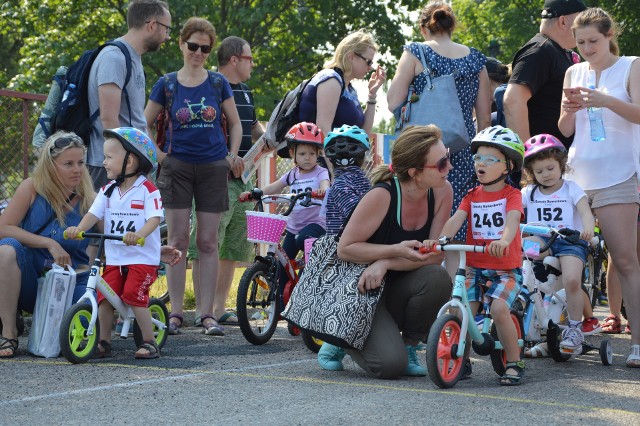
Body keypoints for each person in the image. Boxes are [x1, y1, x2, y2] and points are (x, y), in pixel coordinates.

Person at [318, 125, 453, 379]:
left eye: (447, 157)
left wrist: (385, 262)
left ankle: (409, 344)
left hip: (395, 283)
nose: (450, 167)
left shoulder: (443, 191)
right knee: (389, 366)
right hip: (359, 289)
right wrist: (391, 251)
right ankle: (341, 336)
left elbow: (435, 254)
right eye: (442, 163)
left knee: (437, 277)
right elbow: (345, 249)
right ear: (415, 173)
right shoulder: (382, 194)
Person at [144, 17, 243, 337]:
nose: (198, 52)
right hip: (177, 168)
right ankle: (175, 313)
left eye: (205, 48)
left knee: (208, 241)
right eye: (193, 46)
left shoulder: (217, 83)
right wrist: (160, 157)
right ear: (181, 45)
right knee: (177, 242)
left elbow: (236, 123)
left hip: (213, 168)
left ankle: (206, 314)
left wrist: (230, 155)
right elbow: (144, 122)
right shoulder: (167, 83)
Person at [558, 7, 640, 368]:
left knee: (624, 259)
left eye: (593, 40)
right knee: (561, 259)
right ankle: (564, 332)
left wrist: (607, 100)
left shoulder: (631, 66)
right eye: (580, 43)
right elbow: (564, 129)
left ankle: (637, 343)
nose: (587, 48)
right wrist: (567, 108)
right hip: (577, 176)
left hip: (618, 174)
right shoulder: (573, 71)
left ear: (610, 35)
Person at [425, 125, 525, 385]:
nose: (481, 163)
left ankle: (514, 361)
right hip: (475, 265)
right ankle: (462, 360)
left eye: (490, 159)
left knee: (500, 309)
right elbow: (456, 219)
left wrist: (503, 240)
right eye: (478, 158)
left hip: (505, 268)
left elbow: (512, 221)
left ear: (508, 166)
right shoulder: (471, 195)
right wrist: (440, 241)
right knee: (462, 312)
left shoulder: (512, 195)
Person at [387, 0, 491, 248]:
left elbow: (393, 101)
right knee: (455, 221)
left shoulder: (415, 52)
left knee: (421, 211)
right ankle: (454, 280)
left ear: (424, 28)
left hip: (421, 153)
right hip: (461, 152)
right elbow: (485, 119)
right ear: (452, 26)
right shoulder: (476, 60)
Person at [185, 36, 265, 327]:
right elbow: (199, 131)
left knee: (233, 245)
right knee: (207, 243)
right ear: (234, 59)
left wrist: (273, 141)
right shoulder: (209, 87)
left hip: (243, 179)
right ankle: (201, 310)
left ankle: (219, 308)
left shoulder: (244, 91)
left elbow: (254, 129)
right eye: (249, 58)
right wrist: (226, 156)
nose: (253, 64)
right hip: (215, 176)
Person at [65, 127, 162, 359]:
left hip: (141, 257)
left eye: (109, 157)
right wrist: (79, 228)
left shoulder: (147, 189)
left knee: (133, 294)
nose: (104, 162)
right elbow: (93, 214)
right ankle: (103, 342)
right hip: (116, 256)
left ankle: (149, 342)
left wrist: (138, 234)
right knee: (104, 296)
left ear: (130, 162)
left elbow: (154, 219)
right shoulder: (108, 190)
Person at [0, 132, 95, 358]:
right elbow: (4, 227)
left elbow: (114, 235)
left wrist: (154, 248)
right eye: (68, 164)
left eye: (80, 162)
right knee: (6, 249)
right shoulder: (31, 188)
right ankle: (9, 331)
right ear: (51, 165)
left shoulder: (91, 198)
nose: (77, 169)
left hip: (71, 281)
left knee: (83, 330)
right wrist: (50, 243)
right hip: (32, 280)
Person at [520, 133, 598, 356]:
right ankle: (522, 305)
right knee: (521, 252)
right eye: (539, 171)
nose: (545, 174)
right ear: (531, 173)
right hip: (542, 241)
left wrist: (588, 229)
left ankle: (574, 329)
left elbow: (584, 211)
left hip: (568, 242)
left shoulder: (571, 188)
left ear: (561, 165)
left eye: (550, 168)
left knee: (572, 280)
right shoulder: (528, 192)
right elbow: (513, 211)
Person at [240, 122, 329, 304]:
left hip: (315, 225)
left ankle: (307, 285)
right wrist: (256, 193)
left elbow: (325, 184)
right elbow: (275, 186)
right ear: (292, 154)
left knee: (303, 241)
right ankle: (280, 305)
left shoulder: (321, 172)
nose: (307, 158)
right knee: (281, 264)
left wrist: (322, 190)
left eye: (312, 154)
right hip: (293, 227)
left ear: (318, 154)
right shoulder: (292, 174)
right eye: (303, 153)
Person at [87, 0, 172, 190]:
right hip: (113, 168)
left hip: (130, 165)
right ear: (151, 25)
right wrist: (124, 169)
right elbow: (109, 119)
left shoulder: (133, 58)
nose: (167, 37)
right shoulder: (114, 57)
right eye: (167, 29)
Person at [503, 0, 587, 149]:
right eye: (582, 20)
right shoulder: (539, 51)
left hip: (556, 161)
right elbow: (512, 100)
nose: (586, 26)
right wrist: (527, 157)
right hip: (544, 165)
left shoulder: (555, 50)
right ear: (563, 21)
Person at [298, 30, 385, 158]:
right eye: (368, 61)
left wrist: (372, 96)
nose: (371, 67)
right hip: (321, 166)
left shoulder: (348, 88)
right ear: (351, 56)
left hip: (339, 163)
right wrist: (334, 171)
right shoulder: (331, 80)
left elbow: (363, 135)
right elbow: (323, 129)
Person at [322, 125, 372, 236]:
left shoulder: (340, 185)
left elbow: (357, 217)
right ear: (362, 157)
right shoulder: (365, 182)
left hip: (343, 247)